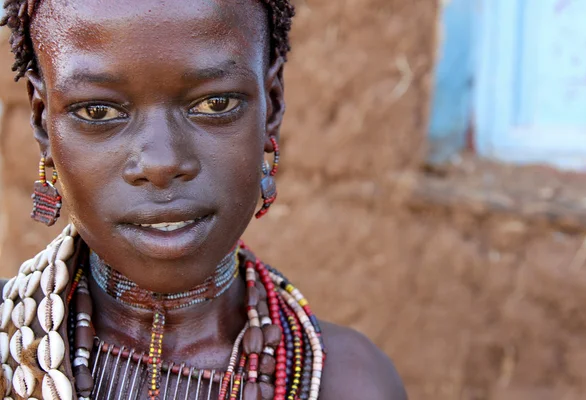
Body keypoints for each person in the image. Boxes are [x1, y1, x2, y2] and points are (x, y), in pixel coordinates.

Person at [0, 0, 406, 399]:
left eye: (215, 104)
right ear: (43, 121)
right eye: (98, 111)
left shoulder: (348, 383)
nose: (162, 163)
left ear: (272, 106)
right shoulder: (9, 343)